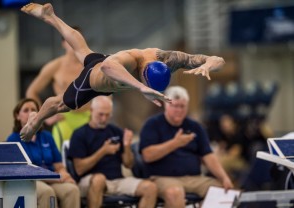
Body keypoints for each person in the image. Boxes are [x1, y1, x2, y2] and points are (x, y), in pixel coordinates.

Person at [20, 3, 225, 142]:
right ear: (143, 72)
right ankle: (36, 121)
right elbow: (109, 67)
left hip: (107, 68)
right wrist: (140, 87)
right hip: (96, 79)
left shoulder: (167, 58)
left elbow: (218, 59)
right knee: (61, 105)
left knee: (83, 50)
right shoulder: (130, 61)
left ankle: (50, 16)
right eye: (144, 80)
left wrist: (208, 64)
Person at [139, 86, 234, 208]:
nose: (179, 110)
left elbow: (208, 156)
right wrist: (175, 143)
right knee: (175, 193)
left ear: (187, 106)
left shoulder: (195, 127)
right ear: (166, 106)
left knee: (221, 191)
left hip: (194, 178)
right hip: (162, 177)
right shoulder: (152, 124)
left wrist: (224, 177)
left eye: (182, 106)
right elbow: (147, 155)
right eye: (175, 106)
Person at [68, 96, 157, 208]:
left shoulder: (116, 131)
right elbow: (79, 169)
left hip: (117, 180)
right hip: (90, 180)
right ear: (91, 110)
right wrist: (103, 151)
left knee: (150, 188)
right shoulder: (80, 134)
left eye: (107, 115)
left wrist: (127, 145)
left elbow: (128, 164)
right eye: (100, 114)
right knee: (99, 179)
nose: (104, 119)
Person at [6, 98, 80, 208]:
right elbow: (22, 171)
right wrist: (55, 177)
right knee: (47, 192)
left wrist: (65, 175)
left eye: (33, 110)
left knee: (72, 189)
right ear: (17, 116)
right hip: (30, 181)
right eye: (26, 110)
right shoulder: (13, 139)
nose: (30, 113)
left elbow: (58, 164)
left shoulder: (47, 136)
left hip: (53, 178)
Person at [26, 27, 91, 151]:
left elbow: (106, 91)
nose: (73, 42)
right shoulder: (55, 66)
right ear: (63, 43)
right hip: (64, 118)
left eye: (77, 39)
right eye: (69, 39)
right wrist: (44, 116)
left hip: (88, 118)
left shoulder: (90, 65)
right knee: (61, 162)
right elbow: (31, 91)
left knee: (87, 162)